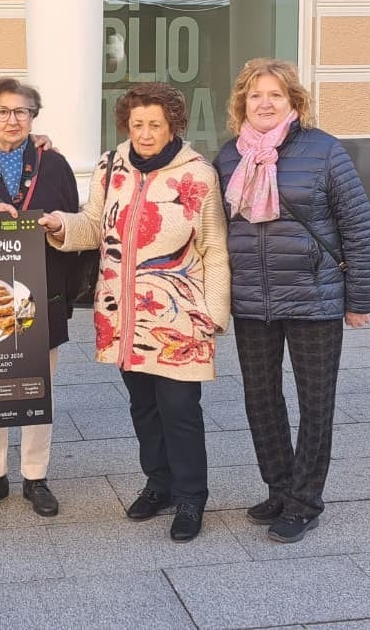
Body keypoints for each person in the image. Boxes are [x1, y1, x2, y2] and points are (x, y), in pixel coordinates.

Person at [38, 83, 230, 542]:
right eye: (138, 124)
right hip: (123, 316)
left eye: (156, 125)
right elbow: (92, 226)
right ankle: (158, 484)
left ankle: (190, 497)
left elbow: (215, 248)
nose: (145, 133)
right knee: (143, 406)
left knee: (180, 408)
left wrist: (215, 313)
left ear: (173, 127)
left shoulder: (198, 174)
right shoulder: (110, 167)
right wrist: (59, 224)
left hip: (180, 315)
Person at [214, 59, 370, 544]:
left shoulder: (324, 150)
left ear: (294, 103)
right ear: (241, 102)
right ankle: (280, 488)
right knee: (260, 399)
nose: (264, 103)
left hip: (314, 297)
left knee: (315, 402)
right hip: (251, 300)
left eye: (276, 95)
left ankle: (305, 501)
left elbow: (358, 228)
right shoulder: (228, 156)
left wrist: (358, 299)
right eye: (255, 95)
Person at [0, 78, 80, 518]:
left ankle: (36, 476)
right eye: (1, 111)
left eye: (22, 111)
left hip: (42, 288)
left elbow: (76, 224)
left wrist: (58, 226)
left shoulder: (54, 164)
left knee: (38, 387)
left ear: (33, 117)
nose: (12, 119)